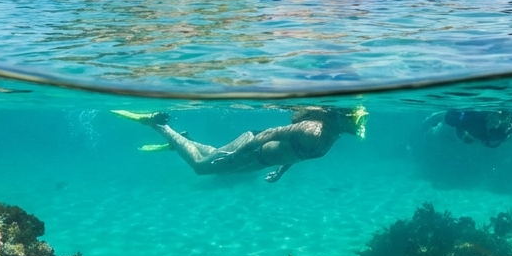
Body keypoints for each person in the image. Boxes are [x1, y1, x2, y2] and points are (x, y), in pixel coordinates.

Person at [114, 105, 366, 182]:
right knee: (202, 168)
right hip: (252, 146)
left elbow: (296, 154)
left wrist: (280, 171)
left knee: (214, 156)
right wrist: (236, 153)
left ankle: (182, 142)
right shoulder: (312, 129)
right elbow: (270, 134)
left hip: (256, 161)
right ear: (342, 117)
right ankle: (157, 124)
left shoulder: (332, 136)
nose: (360, 123)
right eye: (357, 118)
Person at [424, 109, 512, 148]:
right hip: (455, 119)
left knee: (431, 134)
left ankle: (425, 132)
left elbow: (477, 138)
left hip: (456, 130)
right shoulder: (500, 130)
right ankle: (426, 128)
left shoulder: (499, 134)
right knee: (431, 125)